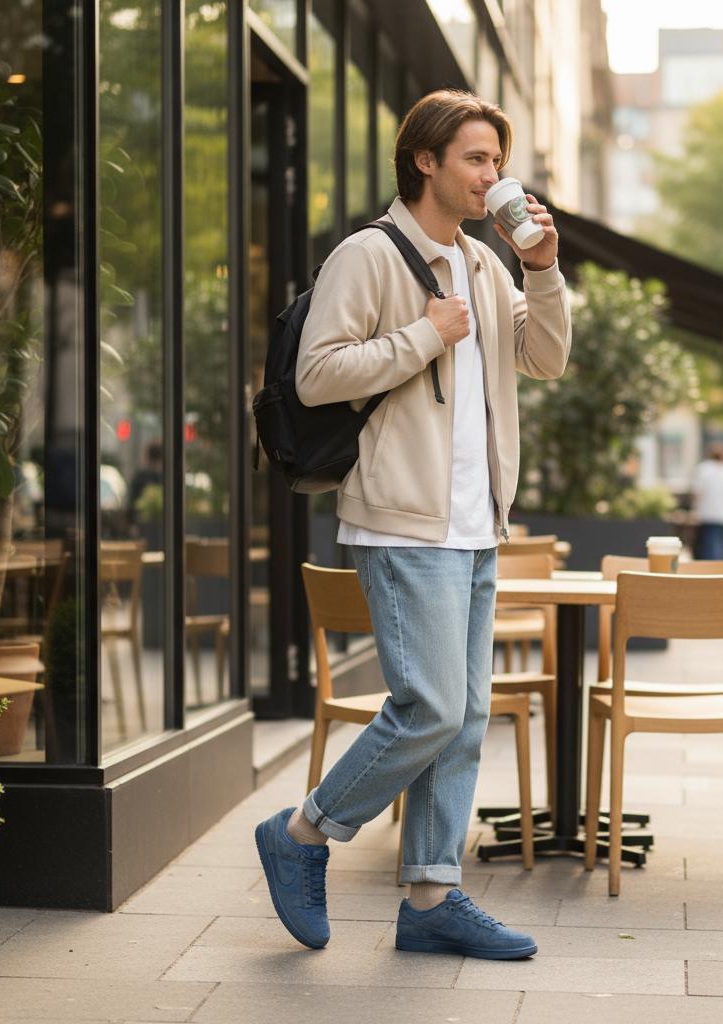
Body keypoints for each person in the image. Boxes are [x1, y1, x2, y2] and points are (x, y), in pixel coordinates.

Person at [254, 90, 570, 959]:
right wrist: (424, 337)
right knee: (428, 708)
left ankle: (431, 897)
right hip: (402, 521)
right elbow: (317, 375)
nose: (492, 175)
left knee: (463, 720)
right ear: (425, 160)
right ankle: (302, 831)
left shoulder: (486, 265)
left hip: (475, 522)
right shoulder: (369, 254)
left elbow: (545, 358)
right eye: (476, 158)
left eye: (497, 161)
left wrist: (541, 268)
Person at [692, 442, 723, 560]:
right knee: (721, 547)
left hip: (706, 514)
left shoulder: (703, 469)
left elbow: (698, 492)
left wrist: (695, 510)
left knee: (707, 547)